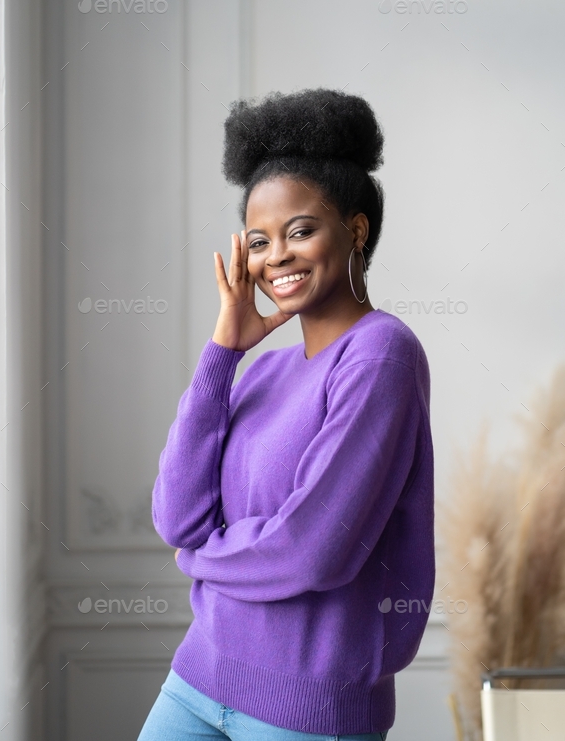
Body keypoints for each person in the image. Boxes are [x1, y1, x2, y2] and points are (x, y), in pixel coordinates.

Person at [137, 88, 435, 741]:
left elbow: (312, 550)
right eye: (259, 240)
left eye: (300, 230)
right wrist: (223, 350)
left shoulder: (381, 353)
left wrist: (199, 559)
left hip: (305, 710)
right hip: (197, 678)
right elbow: (176, 513)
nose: (277, 257)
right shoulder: (264, 370)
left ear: (355, 229)